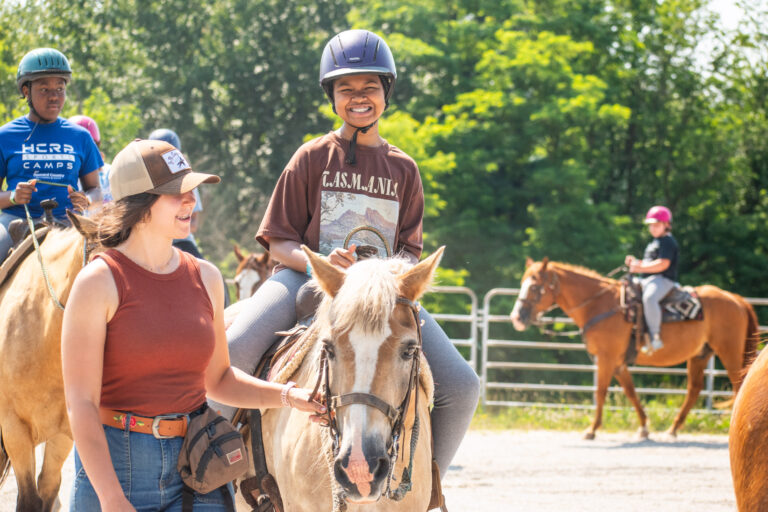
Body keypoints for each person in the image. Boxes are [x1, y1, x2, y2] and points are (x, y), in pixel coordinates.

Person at [215, 29, 481, 479]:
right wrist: (322, 261)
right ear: (332, 97)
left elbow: (408, 256)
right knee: (233, 350)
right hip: (303, 280)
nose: (359, 97)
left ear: (386, 93)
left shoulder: (404, 170)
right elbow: (279, 241)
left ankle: (423, 483)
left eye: (370, 88)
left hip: (382, 295)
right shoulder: (311, 157)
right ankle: (210, 472)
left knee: (463, 385)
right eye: (347, 89)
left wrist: (380, 276)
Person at [61, 139, 324, 511]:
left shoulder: (207, 277)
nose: (191, 202)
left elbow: (218, 380)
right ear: (140, 203)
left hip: (198, 462)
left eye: (192, 192)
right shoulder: (97, 283)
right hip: (118, 463)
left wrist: (286, 396)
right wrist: (111, 498)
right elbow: (81, 405)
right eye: (177, 193)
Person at [0, 48, 103, 262]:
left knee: (109, 260)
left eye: (60, 88)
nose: (54, 96)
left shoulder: (81, 137)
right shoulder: (5, 136)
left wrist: (86, 199)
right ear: (26, 91)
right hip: (15, 221)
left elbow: (95, 189)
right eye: (44, 89)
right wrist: (13, 197)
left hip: (69, 223)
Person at [624, 205, 680, 354]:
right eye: (651, 225)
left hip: (663, 280)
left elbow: (663, 264)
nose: (653, 228)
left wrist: (639, 268)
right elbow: (650, 263)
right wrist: (636, 263)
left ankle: (655, 335)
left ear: (666, 225)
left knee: (649, 298)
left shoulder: (668, 241)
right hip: (648, 279)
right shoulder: (654, 242)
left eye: (657, 225)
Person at [147, 129, 205, 258]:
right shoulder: (145, 180)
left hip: (181, 242)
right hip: (150, 241)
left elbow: (194, 224)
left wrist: (177, 225)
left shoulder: (187, 177)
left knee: (209, 274)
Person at [69, 114, 113, 206]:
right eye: (77, 147)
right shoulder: (65, 175)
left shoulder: (110, 174)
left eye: (89, 146)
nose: (85, 152)